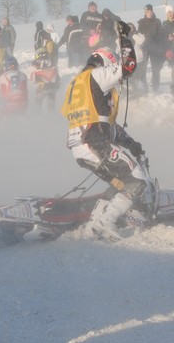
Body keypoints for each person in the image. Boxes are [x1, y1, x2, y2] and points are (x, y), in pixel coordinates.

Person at [60, 46, 145, 240]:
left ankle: (94, 225)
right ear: (105, 61)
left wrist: (130, 143)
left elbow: (101, 121)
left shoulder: (77, 83)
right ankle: (106, 223)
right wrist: (127, 45)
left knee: (122, 183)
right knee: (137, 179)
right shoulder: (97, 75)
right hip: (94, 142)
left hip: (80, 146)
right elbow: (128, 66)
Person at [137, 4, 167, 92]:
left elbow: (161, 33)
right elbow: (139, 35)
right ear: (145, 13)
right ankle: (144, 85)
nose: (149, 13)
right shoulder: (141, 22)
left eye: (150, 11)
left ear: (152, 12)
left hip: (155, 47)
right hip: (145, 47)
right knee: (143, 67)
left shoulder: (157, 21)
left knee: (155, 67)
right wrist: (141, 44)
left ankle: (155, 85)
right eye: (147, 12)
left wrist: (158, 42)